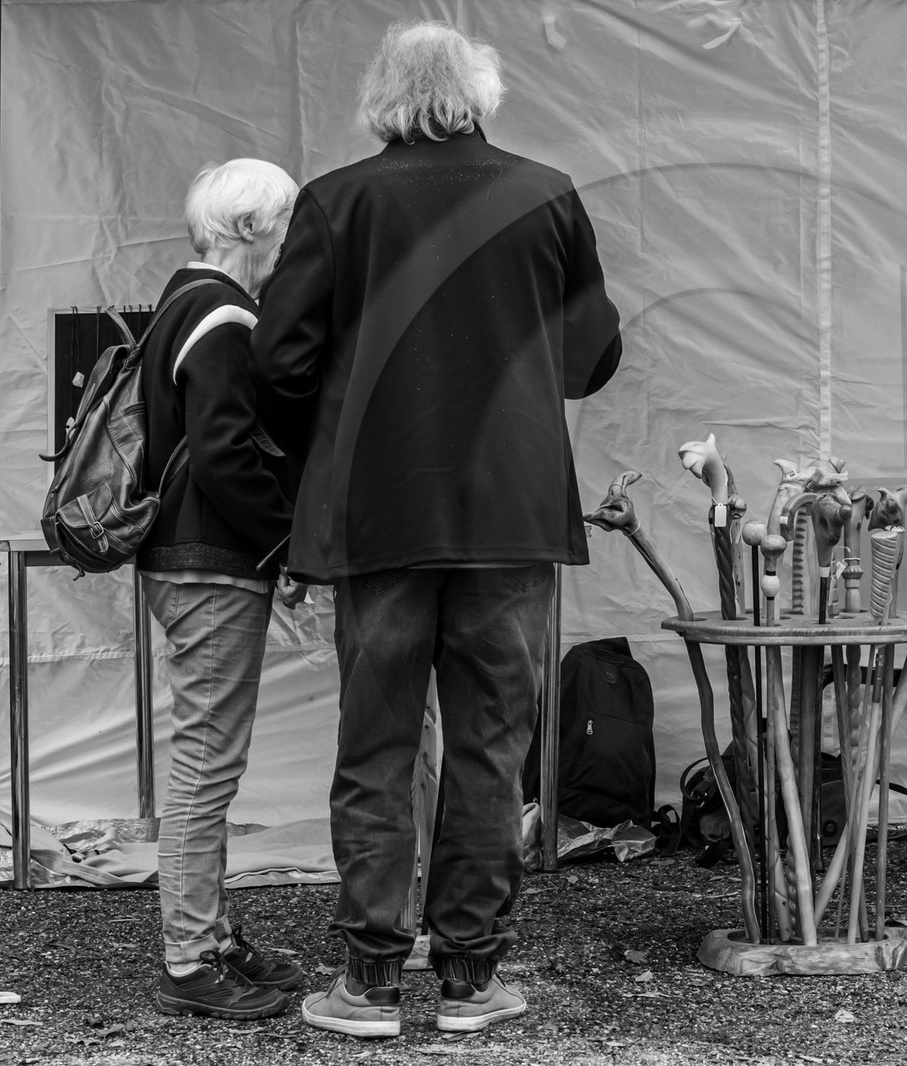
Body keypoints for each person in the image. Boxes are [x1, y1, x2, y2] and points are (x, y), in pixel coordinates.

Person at [252, 19, 622, 1038]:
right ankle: (469, 979)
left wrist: (324, 438)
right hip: (510, 511)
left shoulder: (336, 201)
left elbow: (278, 365)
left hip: (380, 511)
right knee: (490, 747)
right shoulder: (545, 192)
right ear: (480, 93)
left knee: (374, 744)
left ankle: (368, 981)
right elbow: (592, 356)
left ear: (381, 100)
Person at [140, 158, 308, 1020]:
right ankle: (186, 957)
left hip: (187, 559)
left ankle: (207, 935)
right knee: (207, 764)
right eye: (284, 225)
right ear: (252, 228)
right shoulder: (221, 314)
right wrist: (290, 541)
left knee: (210, 759)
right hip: (209, 560)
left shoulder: (179, 300)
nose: (290, 244)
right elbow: (226, 454)